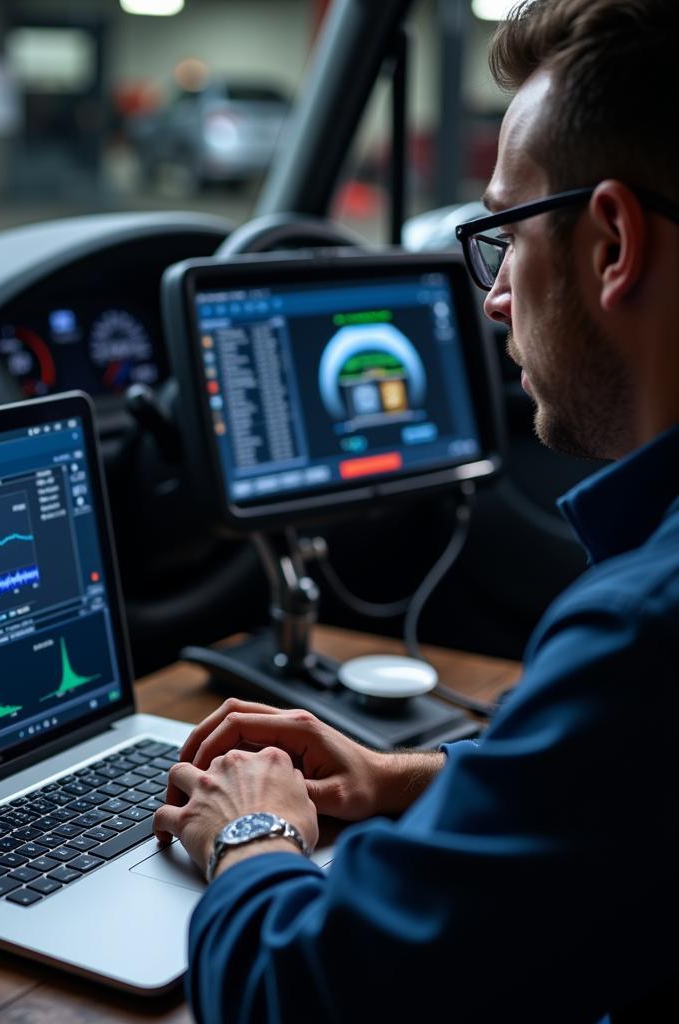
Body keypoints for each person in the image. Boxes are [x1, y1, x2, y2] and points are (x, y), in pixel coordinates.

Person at [152, 1, 679, 1020]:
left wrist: (252, 831)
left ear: (611, 241)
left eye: (503, 234)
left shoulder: (642, 632)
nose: (490, 299)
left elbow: (295, 996)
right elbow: (605, 789)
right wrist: (407, 775)